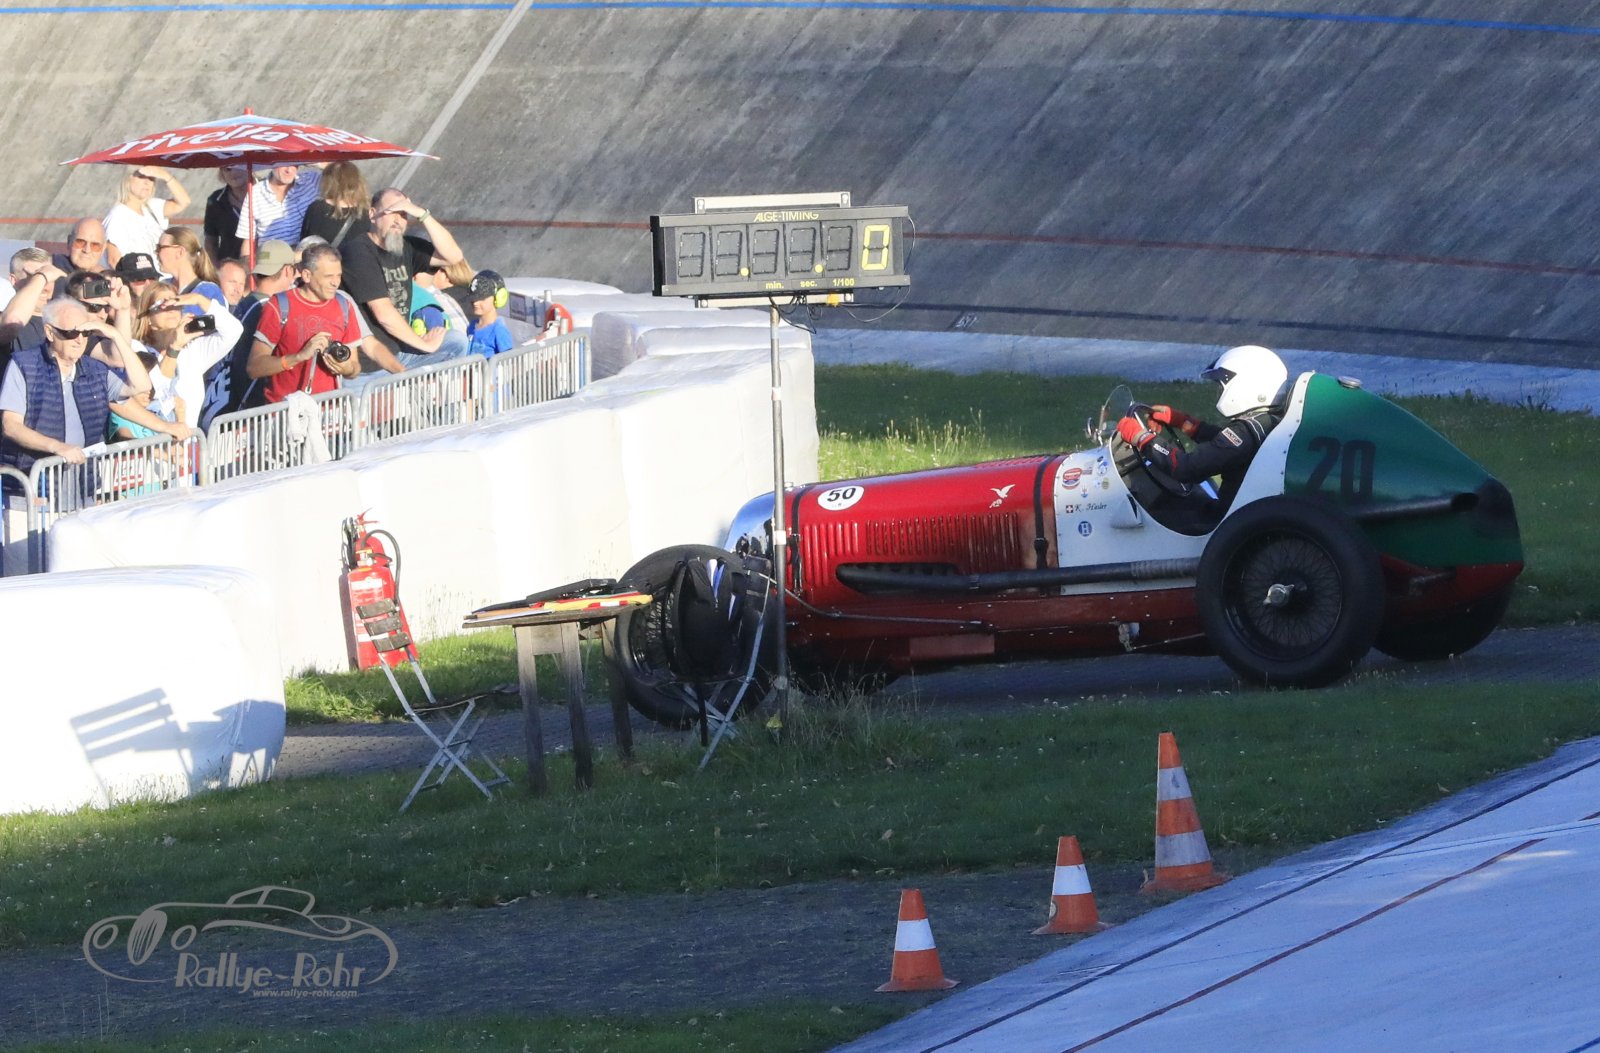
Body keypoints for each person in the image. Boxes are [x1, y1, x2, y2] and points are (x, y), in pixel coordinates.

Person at [0, 298, 182, 473]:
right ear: (49, 332)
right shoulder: (24, 365)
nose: (79, 340)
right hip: (32, 480)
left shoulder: (94, 370)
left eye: (85, 333)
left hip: (83, 478)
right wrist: (57, 447)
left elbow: (140, 386)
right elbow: (11, 426)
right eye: (71, 333)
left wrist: (115, 336)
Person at [1117, 344, 1290, 507]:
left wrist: (1142, 437)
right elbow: (1224, 446)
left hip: (1228, 517)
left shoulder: (1244, 432)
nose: (1219, 392)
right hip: (1245, 510)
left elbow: (1185, 468)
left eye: (1222, 387)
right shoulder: (1267, 422)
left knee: (1159, 505)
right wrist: (1183, 422)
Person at [340, 187, 472, 369]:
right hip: (372, 363)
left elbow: (454, 257)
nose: (398, 220)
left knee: (456, 341)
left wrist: (422, 214)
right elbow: (383, 313)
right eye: (392, 212)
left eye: (404, 214)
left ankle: (427, 385)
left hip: (402, 351)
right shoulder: (358, 251)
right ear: (372, 214)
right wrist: (424, 344)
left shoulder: (405, 247)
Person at [245, 243, 363, 404]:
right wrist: (299, 357)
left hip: (328, 412)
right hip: (285, 412)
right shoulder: (279, 306)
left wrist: (346, 368)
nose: (335, 283)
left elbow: (355, 368)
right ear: (307, 275)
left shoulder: (344, 306)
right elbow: (254, 367)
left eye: (339, 275)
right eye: (328, 276)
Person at [103, 166, 190, 265]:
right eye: (141, 176)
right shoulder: (118, 215)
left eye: (151, 178)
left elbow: (184, 202)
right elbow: (114, 260)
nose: (147, 182)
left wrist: (165, 176)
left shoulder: (153, 207)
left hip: (162, 273)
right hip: (137, 274)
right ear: (128, 179)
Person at [235, 164, 322, 248]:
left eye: (294, 164)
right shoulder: (255, 193)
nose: (289, 170)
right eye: (284, 164)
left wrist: (316, 162)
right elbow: (248, 241)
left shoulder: (311, 180)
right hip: (272, 255)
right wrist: (246, 258)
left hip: (310, 254)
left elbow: (331, 174)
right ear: (272, 163)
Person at [299, 160, 372, 248]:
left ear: (328, 182)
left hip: (319, 255)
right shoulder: (365, 214)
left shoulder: (317, 208)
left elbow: (305, 241)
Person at [155, 227, 224, 315]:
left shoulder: (208, 291)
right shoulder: (162, 287)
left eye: (160, 247)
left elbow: (221, 321)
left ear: (180, 252)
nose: (156, 252)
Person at [203, 164, 249, 264]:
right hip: (230, 265)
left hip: (265, 264)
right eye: (227, 169)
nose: (233, 172)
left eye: (239, 167)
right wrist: (216, 268)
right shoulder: (215, 200)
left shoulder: (267, 191)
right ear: (221, 173)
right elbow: (210, 241)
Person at [466, 271, 513, 358]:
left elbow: (508, 360)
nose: (475, 303)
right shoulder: (471, 326)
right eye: (473, 298)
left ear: (498, 298)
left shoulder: (499, 330)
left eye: (482, 298)